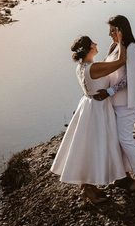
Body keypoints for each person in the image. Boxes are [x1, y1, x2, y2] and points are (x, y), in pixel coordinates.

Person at [50, 33, 129, 204]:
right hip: (98, 109)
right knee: (94, 147)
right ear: (89, 48)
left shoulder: (81, 66)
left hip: (87, 105)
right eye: (93, 42)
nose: (96, 43)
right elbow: (121, 61)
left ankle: (89, 187)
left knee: (87, 146)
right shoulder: (94, 68)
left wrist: (112, 45)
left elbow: (105, 65)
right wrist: (122, 39)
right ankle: (88, 190)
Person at [95, 15, 135, 191]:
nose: (110, 34)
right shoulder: (114, 48)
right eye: (109, 30)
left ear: (121, 30)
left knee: (125, 138)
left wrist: (109, 91)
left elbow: (129, 79)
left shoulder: (132, 49)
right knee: (116, 140)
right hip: (114, 103)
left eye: (112, 30)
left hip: (127, 102)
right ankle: (122, 174)